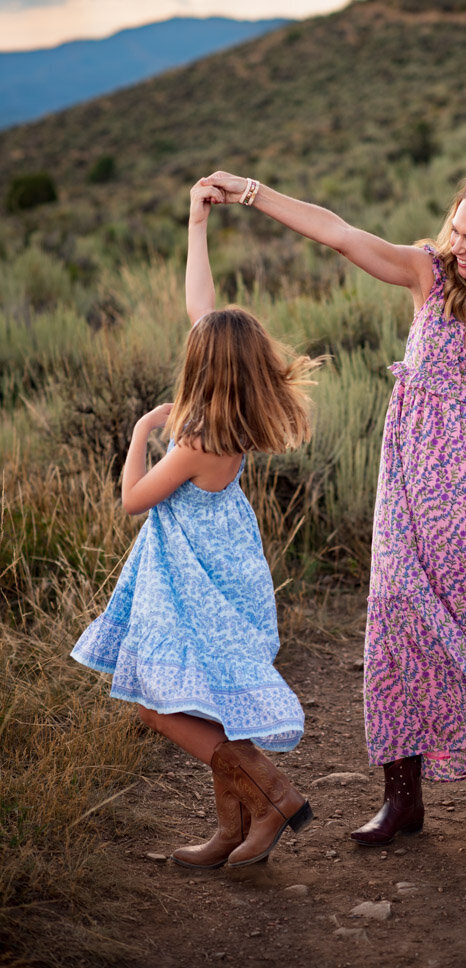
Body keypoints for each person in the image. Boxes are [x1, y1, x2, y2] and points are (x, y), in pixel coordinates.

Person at [199, 170, 466, 851]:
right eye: (456, 231)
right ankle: (401, 800)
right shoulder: (428, 278)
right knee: (401, 626)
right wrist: (253, 194)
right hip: (410, 493)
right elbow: (340, 233)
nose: (456, 246)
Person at [71, 179, 321, 868]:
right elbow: (201, 306)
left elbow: (132, 501)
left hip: (194, 586)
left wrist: (138, 433)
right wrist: (196, 225)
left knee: (159, 705)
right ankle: (232, 828)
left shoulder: (192, 441)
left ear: (200, 366)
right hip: (219, 572)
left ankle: (273, 796)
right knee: (208, 707)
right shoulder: (231, 416)